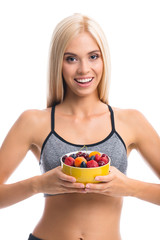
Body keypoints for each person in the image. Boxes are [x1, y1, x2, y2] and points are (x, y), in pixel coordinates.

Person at [0, 13, 160, 240]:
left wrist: (129, 187)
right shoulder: (32, 121)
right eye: (71, 59)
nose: (84, 69)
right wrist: (38, 184)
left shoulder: (131, 121)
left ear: (104, 59)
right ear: (58, 63)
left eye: (93, 56)